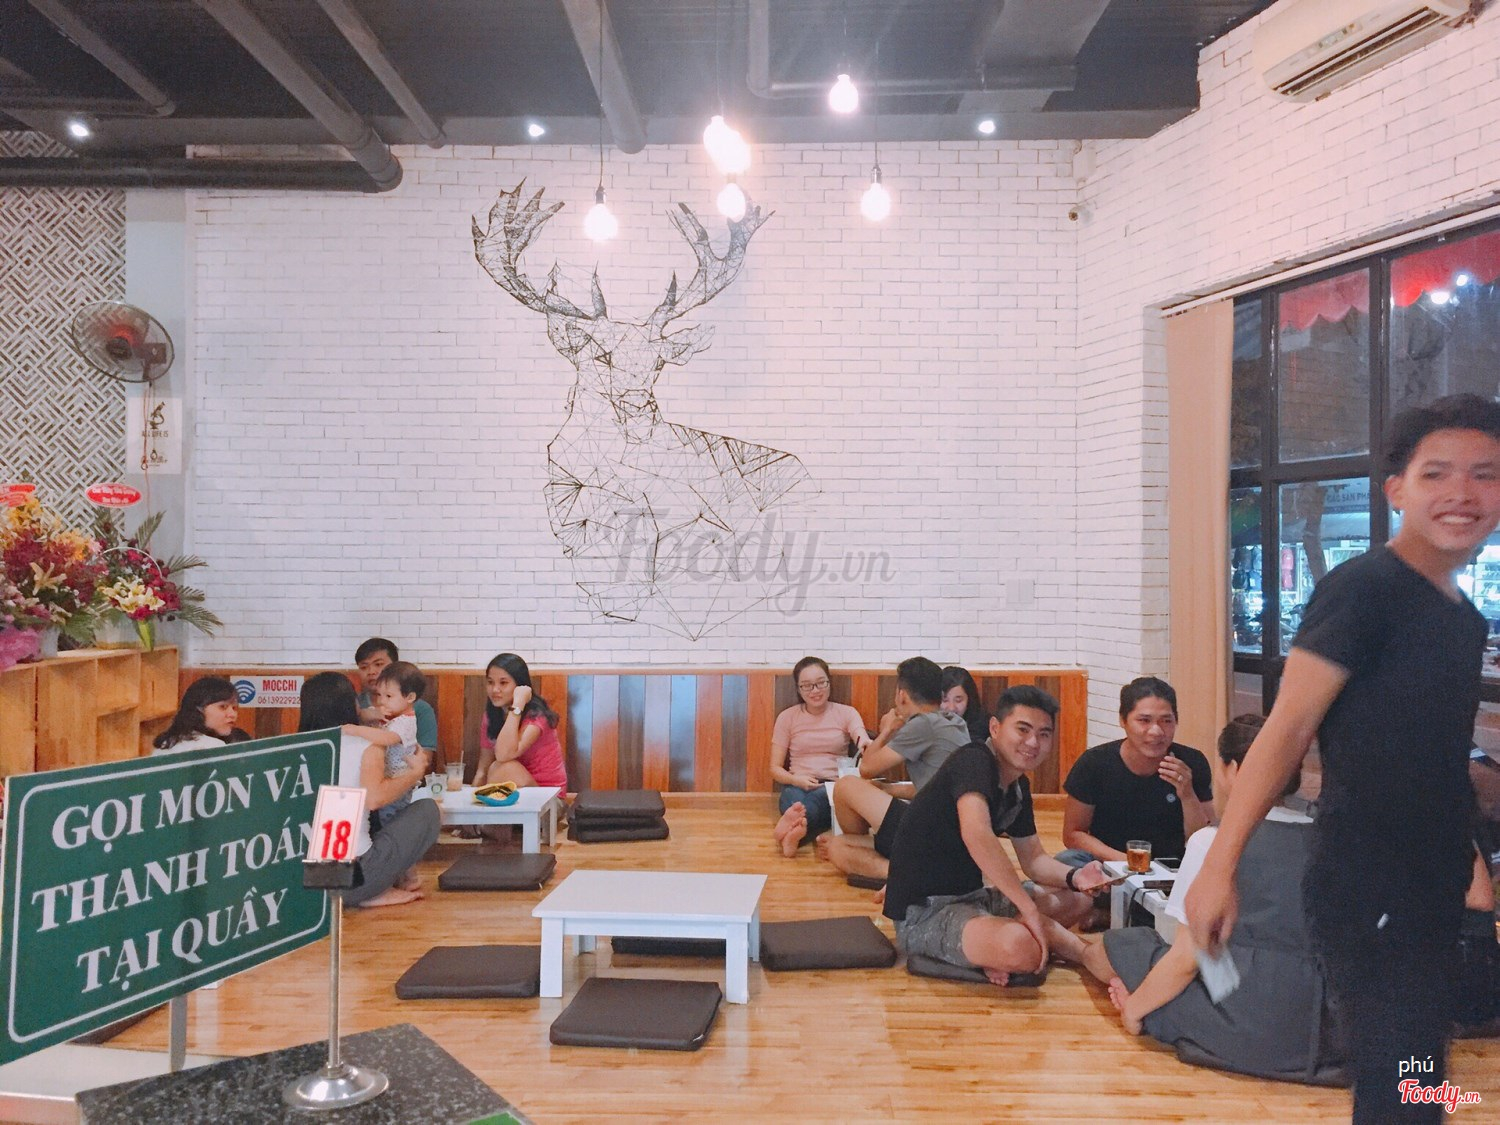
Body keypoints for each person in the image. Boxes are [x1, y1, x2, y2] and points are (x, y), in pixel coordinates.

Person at [1185, 394, 1500, 1123]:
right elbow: (1287, 728)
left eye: (1484, 474)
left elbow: (1429, 755)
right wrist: (1220, 867)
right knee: (1399, 1081)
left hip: (1433, 885)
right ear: (1396, 490)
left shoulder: (1462, 617)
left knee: (1417, 1074)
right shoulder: (1365, 590)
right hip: (1368, 883)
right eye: (1437, 473)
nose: (1462, 492)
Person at [1078, 715, 1339, 1082]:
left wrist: (1134, 1011)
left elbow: (1188, 958)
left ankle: (1078, 954)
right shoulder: (1329, 842)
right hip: (1316, 1029)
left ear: (1231, 769)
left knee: (1120, 945)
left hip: (1238, 1015)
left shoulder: (1212, 842)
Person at [882, 685, 1112, 984]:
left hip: (976, 899)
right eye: (1023, 729)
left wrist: (1077, 877)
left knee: (1080, 901)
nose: (1033, 742)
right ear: (995, 727)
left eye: (1044, 734)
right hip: (926, 913)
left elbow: (1034, 859)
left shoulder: (1018, 786)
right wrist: (1028, 908)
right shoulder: (974, 760)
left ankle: (995, 943)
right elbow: (976, 833)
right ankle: (1027, 943)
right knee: (1021, 949)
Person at [821, 657, 969, 882]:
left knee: (845, 786)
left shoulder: (923, 724)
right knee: (837, 847)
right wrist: (886, 789)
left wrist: (887, 730)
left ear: (902, 695)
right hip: (952, 835)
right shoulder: (954, 722)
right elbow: (931, 787)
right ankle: (914, 870)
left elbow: (866, 768)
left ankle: (915, 876)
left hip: (934, 833)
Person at [298, 671, 440, 908]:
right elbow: (374, 799)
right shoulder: (366, 745)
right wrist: (415, 774)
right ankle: (371, 893)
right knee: (429, 810)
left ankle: (357, 892)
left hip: (308, 879)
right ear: (349, 705)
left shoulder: (299, 747)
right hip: (355, 879)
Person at [1060, 676, 1212, 866]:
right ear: (1123, 720)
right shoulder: (1094, 763)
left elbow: (1202, 840)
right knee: (1066, 860)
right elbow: (1073, 834)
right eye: (1144, 720)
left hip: (1173, 867)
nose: (1156, 731)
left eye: (1166, 721)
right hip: (1109, 863)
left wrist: (1188, 795)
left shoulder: (1191, 762)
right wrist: (1131, 864)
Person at [770, 656, 871, 857]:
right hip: (796, 782)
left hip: (832, 785)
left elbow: (861, 736)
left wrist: (865, 743)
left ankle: (792, 834)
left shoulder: (846, 713)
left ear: (829, 683)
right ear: (798, 689)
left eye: (820, 683)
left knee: (816, 802)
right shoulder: (787, 717)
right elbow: (774, 768)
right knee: (793, 800)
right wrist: (796, 780)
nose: (815, 690)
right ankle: (794, 834)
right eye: (807, 686)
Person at [474, 653, 567, 790]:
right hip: (515, 792)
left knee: (502, 768)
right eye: (490, 682)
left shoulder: (537, 716)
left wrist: (518, 703)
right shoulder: (491, 716)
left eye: (503, 683)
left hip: (549, 795)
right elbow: (483, 770)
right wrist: (470, 798)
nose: (495, 689)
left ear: (520, 685)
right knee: (495, 769)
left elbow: (504, 754)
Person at [353, 637, 438, 759]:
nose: (371, 671)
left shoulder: (420, 709)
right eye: (364, 667)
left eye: (378, 664)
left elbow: (424, 759)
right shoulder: (353, 704)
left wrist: (354, 730)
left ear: (394, 666)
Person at [370, 660, 427, 829]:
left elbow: (386, 739)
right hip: (389, 781)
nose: (382, 701)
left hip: (399, 784)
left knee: (390, 822)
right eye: (379, 695)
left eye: (388, 696)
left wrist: (354, 730)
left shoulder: (406, 722)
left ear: (410, 697)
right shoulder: (393, 718)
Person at [152, 677, 248, 754]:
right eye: (223, 707)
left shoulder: (166, 743)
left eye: (234, 708)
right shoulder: (213, 747)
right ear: (199, 709)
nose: (232, 714)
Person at [941, 665, 990, 743]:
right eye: (945, 700)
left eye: (958, 700)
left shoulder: (983, 727)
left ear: (969, 699)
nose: (951, 708)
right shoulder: (928, 724)